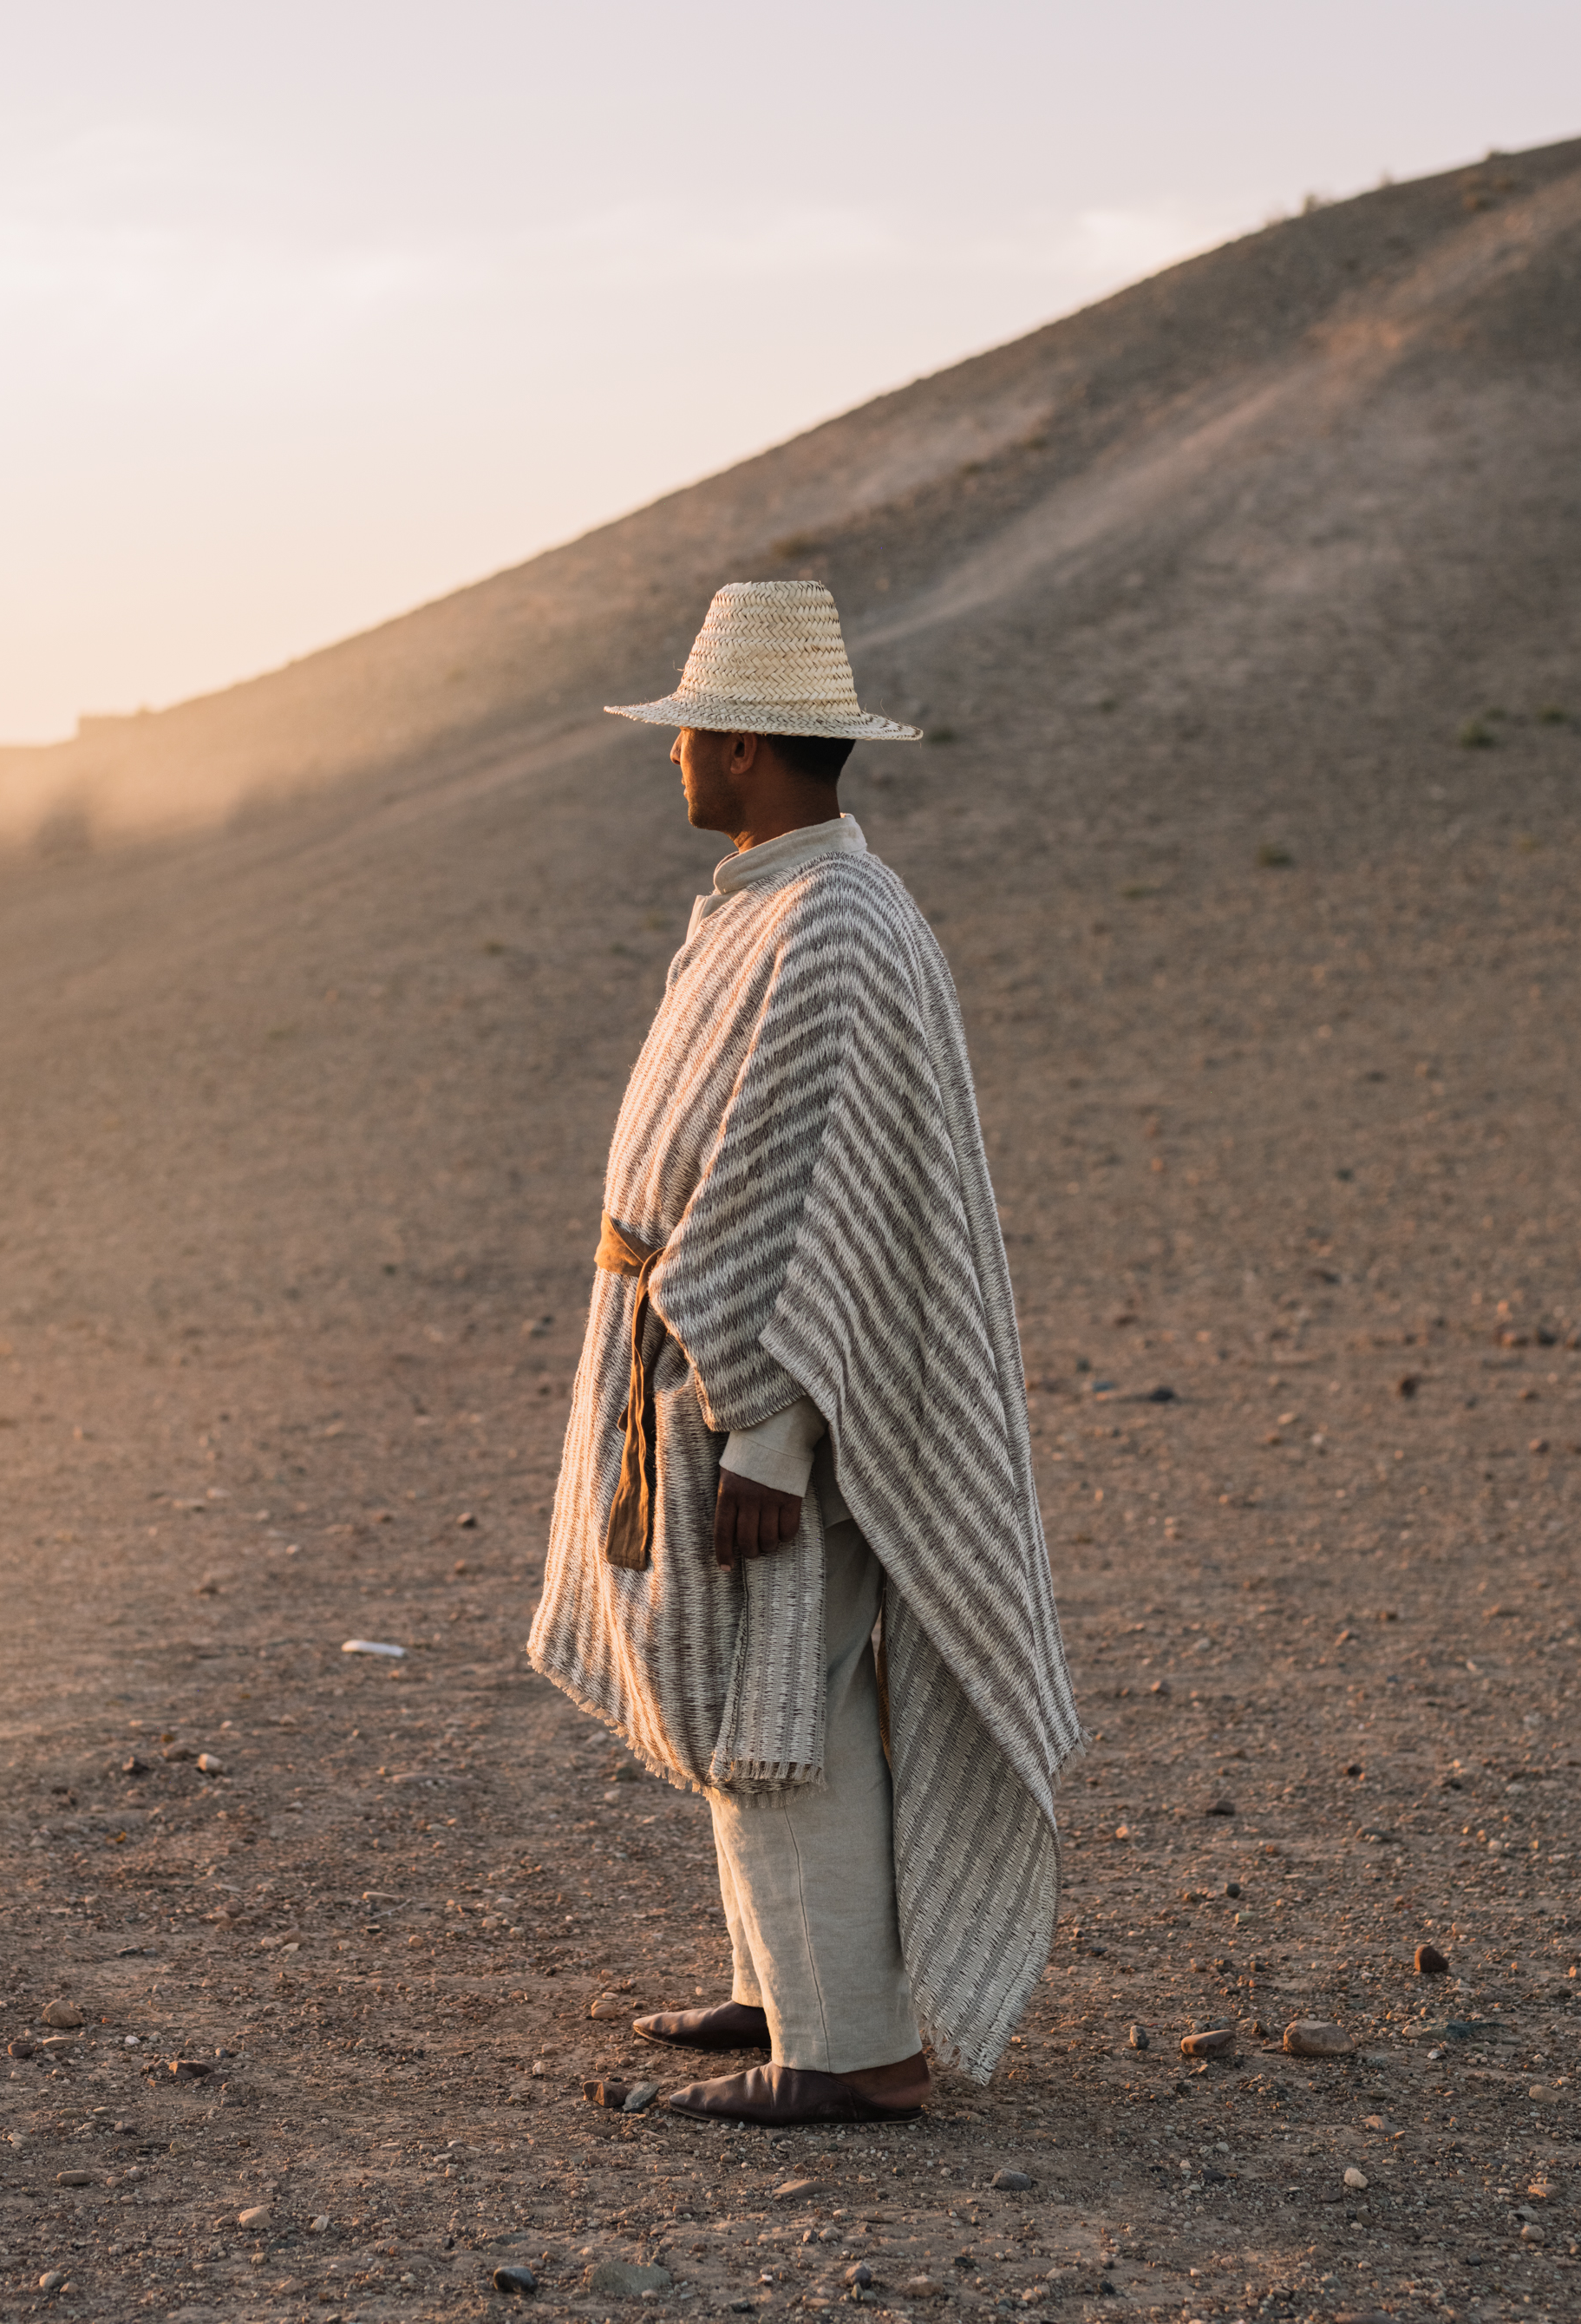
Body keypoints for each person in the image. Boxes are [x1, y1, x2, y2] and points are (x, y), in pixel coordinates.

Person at [528, 579, 1079, 2124]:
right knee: (749, 1689)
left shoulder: (834, 924)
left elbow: (816, 1197)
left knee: (789, 1705)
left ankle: (849, 2054)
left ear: (747, 747)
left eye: (689, 732)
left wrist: (767, 1430)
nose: (672, 755)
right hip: (704, 1369)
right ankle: (784, 1988)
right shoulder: (774, 898)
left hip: (769, 1392)